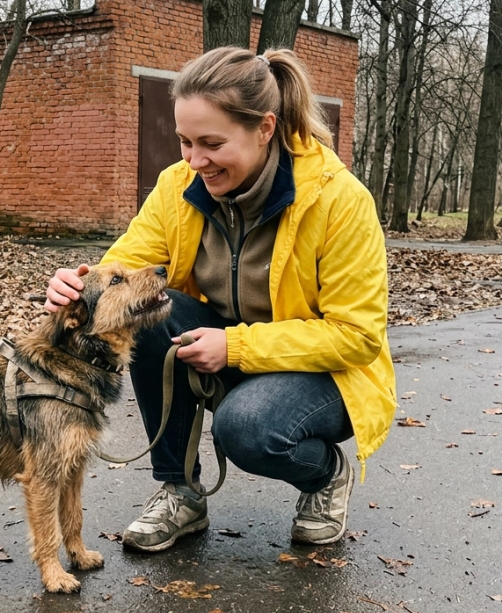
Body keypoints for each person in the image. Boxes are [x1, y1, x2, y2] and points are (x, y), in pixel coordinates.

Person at [45, 47, 396, 552]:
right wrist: (74, 285)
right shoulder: (178, 186)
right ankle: (180, 491)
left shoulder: (340, 202)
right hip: (231, 350)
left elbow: (357, 337)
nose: (194, 160)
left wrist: (234, 347)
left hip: (328, 374)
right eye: (185, 142)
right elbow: (124, 271)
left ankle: (324, 475)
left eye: (211, 143)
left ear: (266, 128)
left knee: (247, 429)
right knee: (143, 314)